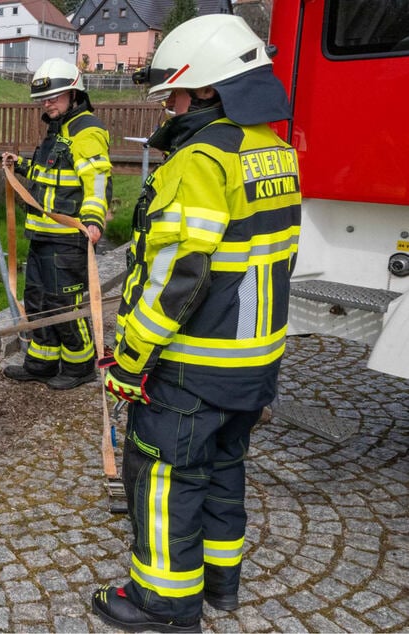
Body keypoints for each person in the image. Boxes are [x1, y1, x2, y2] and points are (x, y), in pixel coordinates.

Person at [91, 14, 302, 633]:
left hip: (195, 363)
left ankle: (163, 603)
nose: (169, 106)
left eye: (175, 94)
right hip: (255, 357)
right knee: (224, 467)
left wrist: (130, 359)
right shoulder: (275, 150)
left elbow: (177, 277)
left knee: (164, 478)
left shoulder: (200, 160)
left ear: (208, 89)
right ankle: (220, 586)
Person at [1, 57, 113, 390]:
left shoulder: (86, 130)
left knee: (65, 304)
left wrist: (93, 220)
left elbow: (96, 181)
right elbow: (48, 175)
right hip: (42, 236)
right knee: (36, 300)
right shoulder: (56, 131)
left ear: (74, 94)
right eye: (44, 99)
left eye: (54, 97)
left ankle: (79, 367)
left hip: (67, 239)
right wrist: (20, 165)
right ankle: (42, 362)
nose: (47, 104)